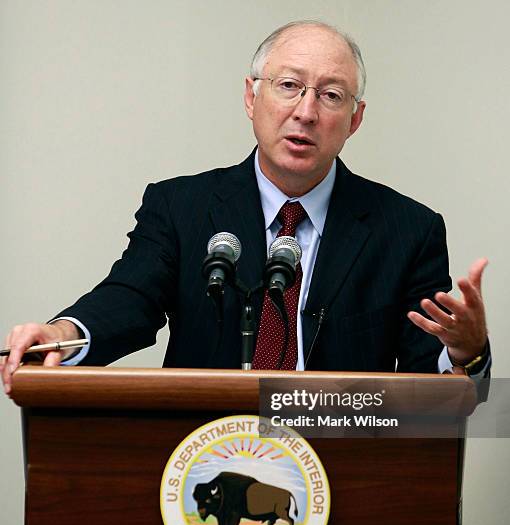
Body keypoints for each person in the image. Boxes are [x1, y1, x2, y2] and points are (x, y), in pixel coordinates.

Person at [1, 20, 490, 395]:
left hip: (343, 462)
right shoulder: (180, 206)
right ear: (251, 97)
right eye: (289, 86)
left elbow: (435, 377)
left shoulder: (407, 230)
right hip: (200, 458)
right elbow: (130, 298)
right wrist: (62, 335)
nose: (306, 111)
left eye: (331, 95)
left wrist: (465, 352)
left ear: (355, 120)